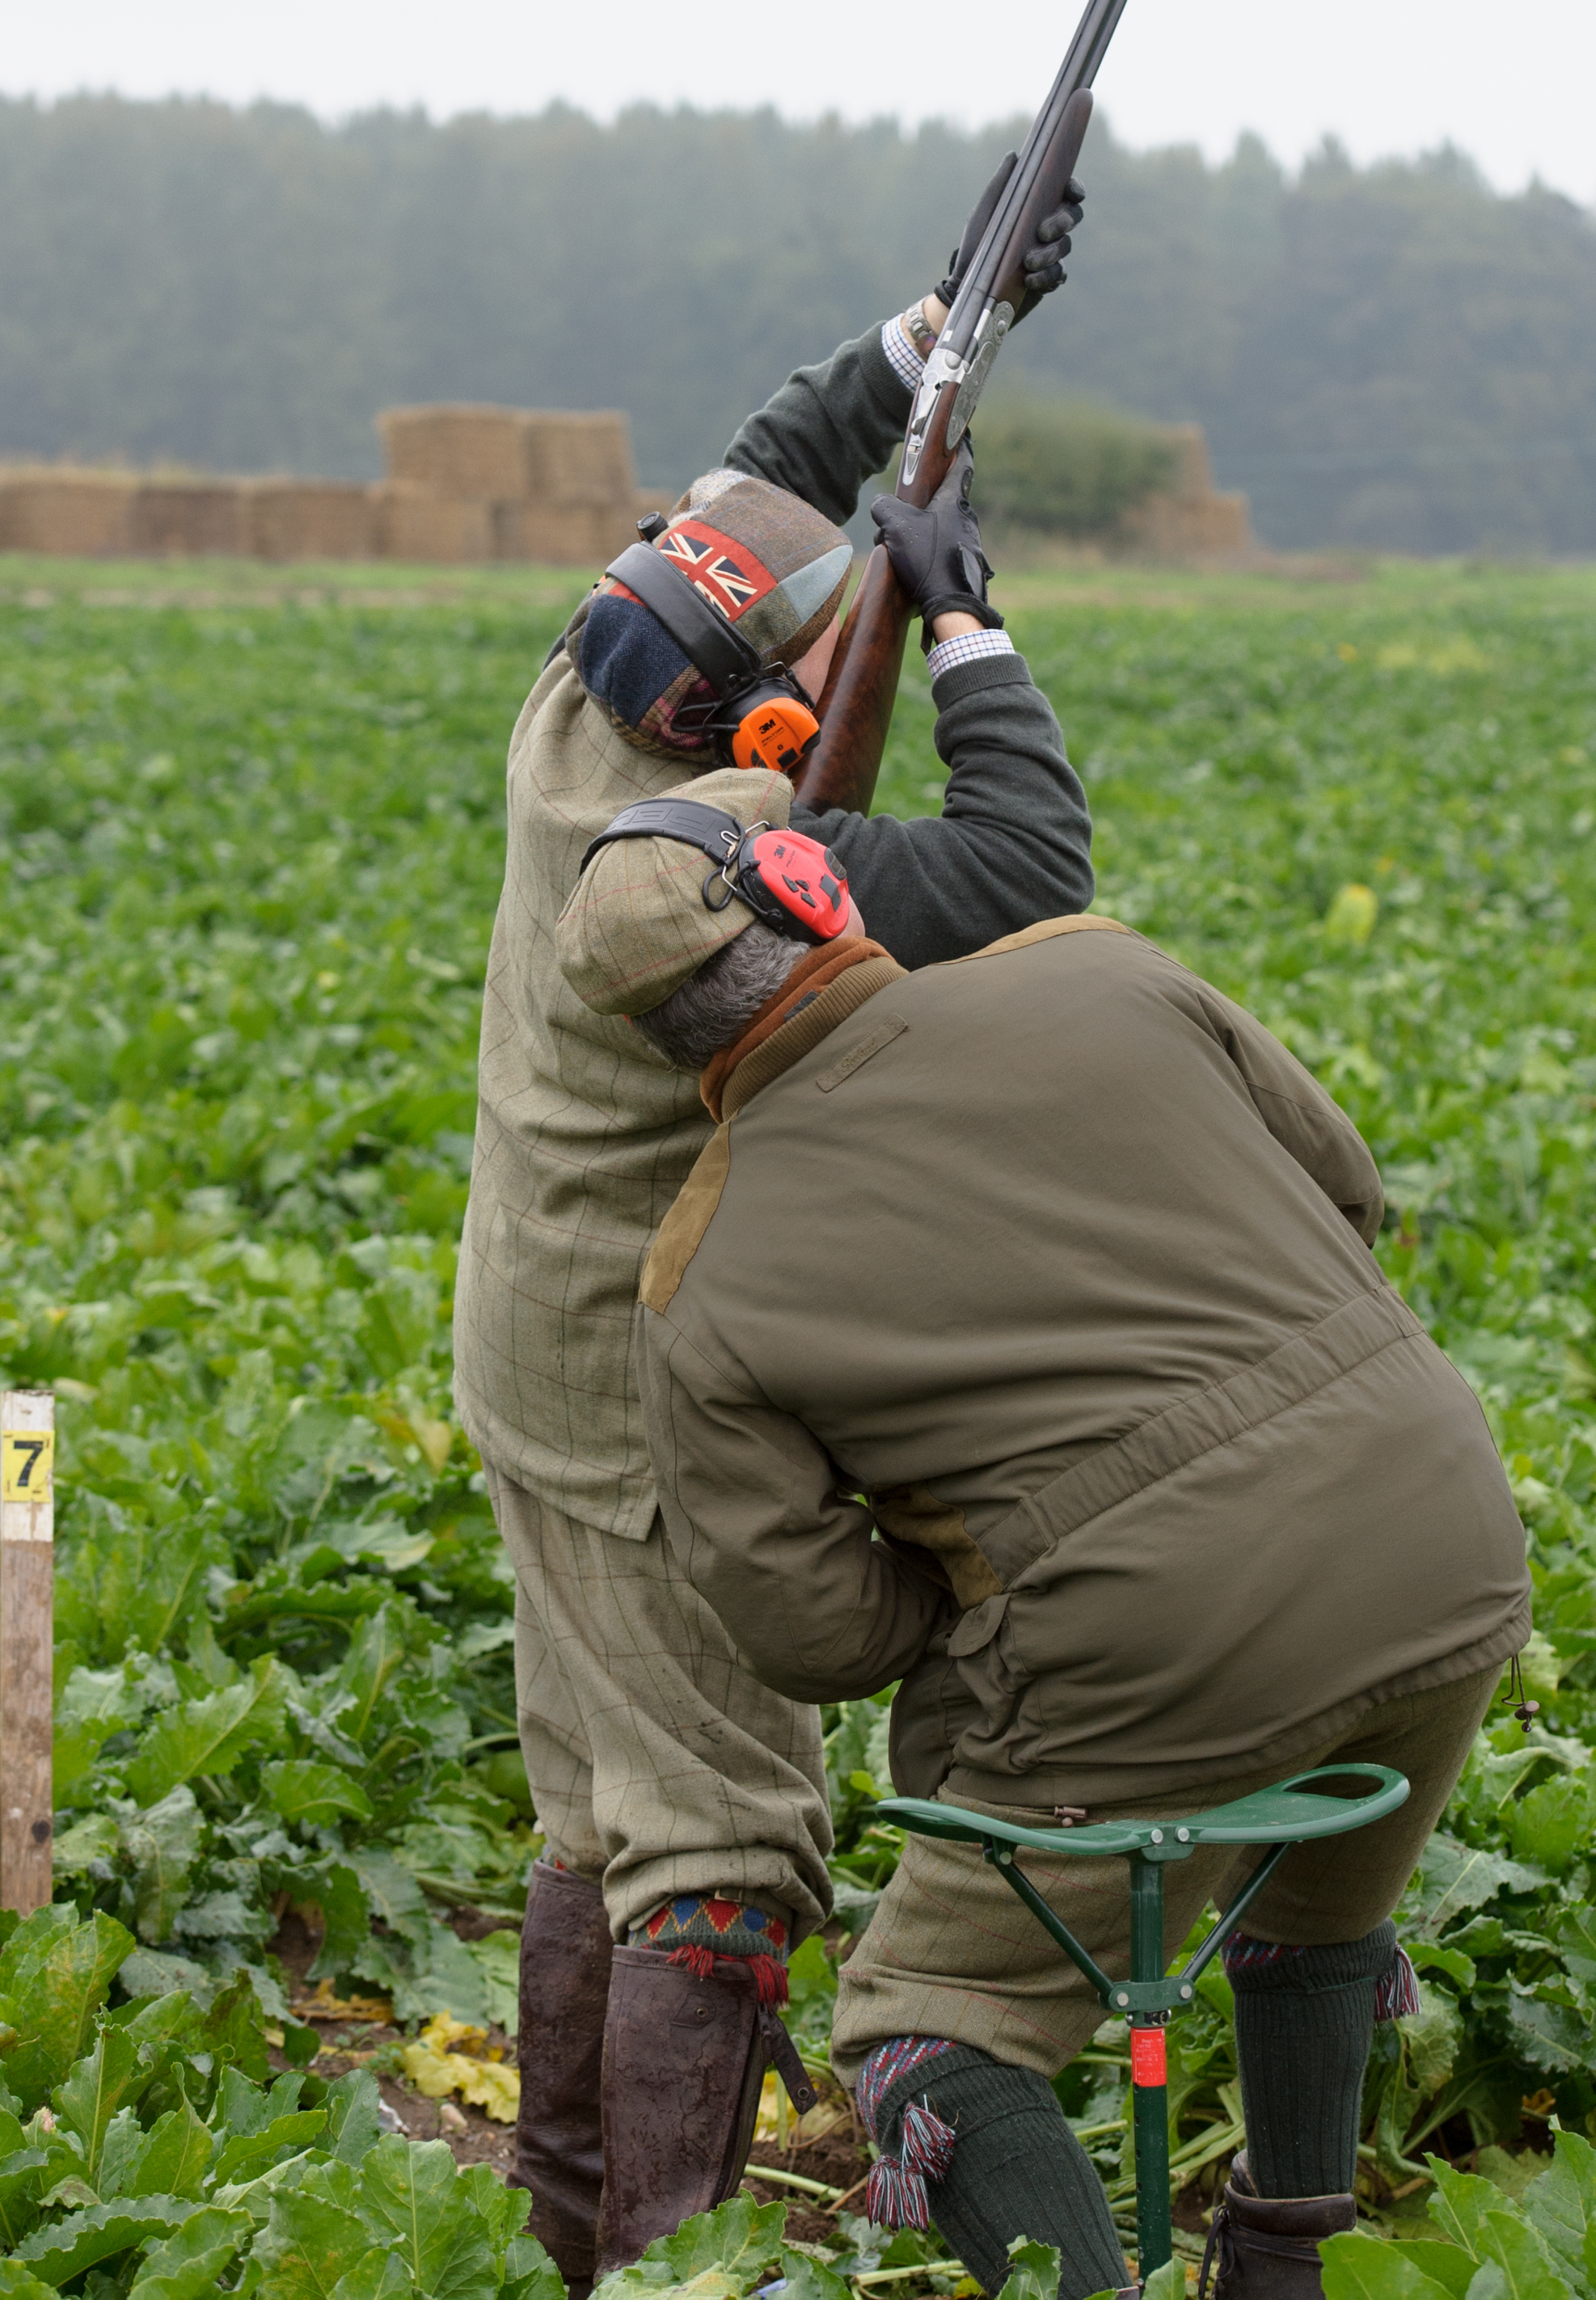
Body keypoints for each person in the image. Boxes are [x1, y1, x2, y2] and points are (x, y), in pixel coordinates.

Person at [555, 837, 1531, 2300]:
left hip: (1158, 1642)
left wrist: (975, 1577)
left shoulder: (705, 1270)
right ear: (817, 898)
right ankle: (1286, 2263)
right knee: (1317, 1905)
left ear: (643, 1042)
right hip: (1448, 1530)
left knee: (924, 2032)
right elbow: (1347, 1191)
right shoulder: (1103, 970)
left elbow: (812, 1633)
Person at [451, 189, 1093, 2289]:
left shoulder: (579, 716)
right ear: (753, 717)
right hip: (641, 1379)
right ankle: (665, 2271)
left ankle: (573, 2250)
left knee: (597, 1805)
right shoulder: (726, 864)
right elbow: (1016, 861)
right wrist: (965, 618)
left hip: (528, 1347)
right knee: (720, 1849)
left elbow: (760, 486)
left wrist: (940, 328)